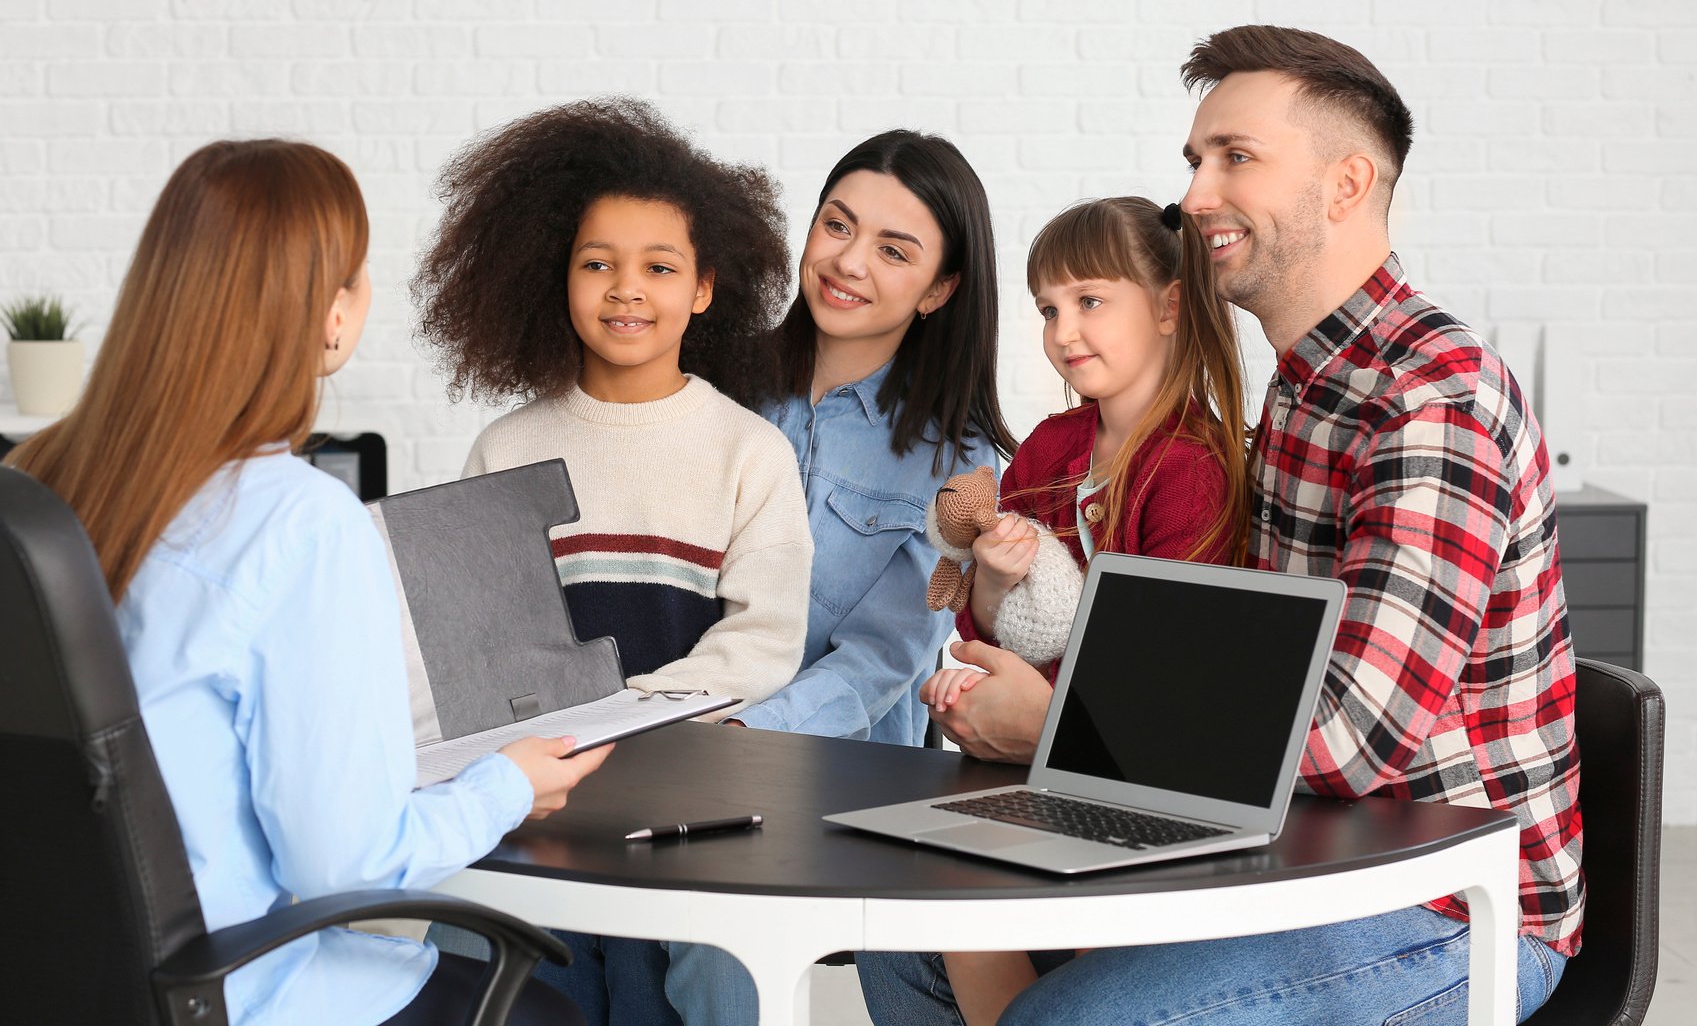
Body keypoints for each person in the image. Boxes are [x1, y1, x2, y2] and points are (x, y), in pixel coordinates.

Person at [861, 26, 1581, 1025]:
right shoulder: (1295, 396)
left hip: (1439, 904)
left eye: (1235, 158)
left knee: (1068, 1021)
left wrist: (1052, 730)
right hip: (1280, 849)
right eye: (1196, 161)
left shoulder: (1430, 403)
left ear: (1345, 184)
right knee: (902, 949)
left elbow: (1346, 739)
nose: (1195, 195)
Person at [5, 139, 610, 1026]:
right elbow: (342, 865)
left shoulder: (43, 480)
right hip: (231, 990)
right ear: (330, 314)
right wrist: (504, 785)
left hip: (61, 982)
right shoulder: (302, 521)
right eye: (360, 278)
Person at [413, 99, 813, 1026]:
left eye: (659, 268)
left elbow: (763, 638)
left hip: (690, 795)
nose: (626, 289)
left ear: (706, 289)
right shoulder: (507, 446)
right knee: (492, 976)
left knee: (710, 983)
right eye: (598, 264)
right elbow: (469, 639)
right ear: (556, 278)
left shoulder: (748, 452)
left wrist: (628, 721)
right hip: (533, 792)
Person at [662, 129, 1021, 1026]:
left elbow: (890, 653)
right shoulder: (717, 383)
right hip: (679, 735)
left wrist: (748, 732)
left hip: (842, 774)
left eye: (893, 251)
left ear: (940, 289)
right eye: (837, 225)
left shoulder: (967, 466)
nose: (848, 262)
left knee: (714, 927)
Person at [919, 195, 1250, 1026]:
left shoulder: (1193, 468)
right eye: (1049, 309)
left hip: (1129, 783)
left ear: (1170, 305)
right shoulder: (1048, 449)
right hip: (1025, 762)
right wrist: (990, 585)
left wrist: (1034, 703)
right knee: (955, 915)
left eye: (1090, 301)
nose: (1065, 331)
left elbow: (1167, 669)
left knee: (1093, 949)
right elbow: (979, 622)